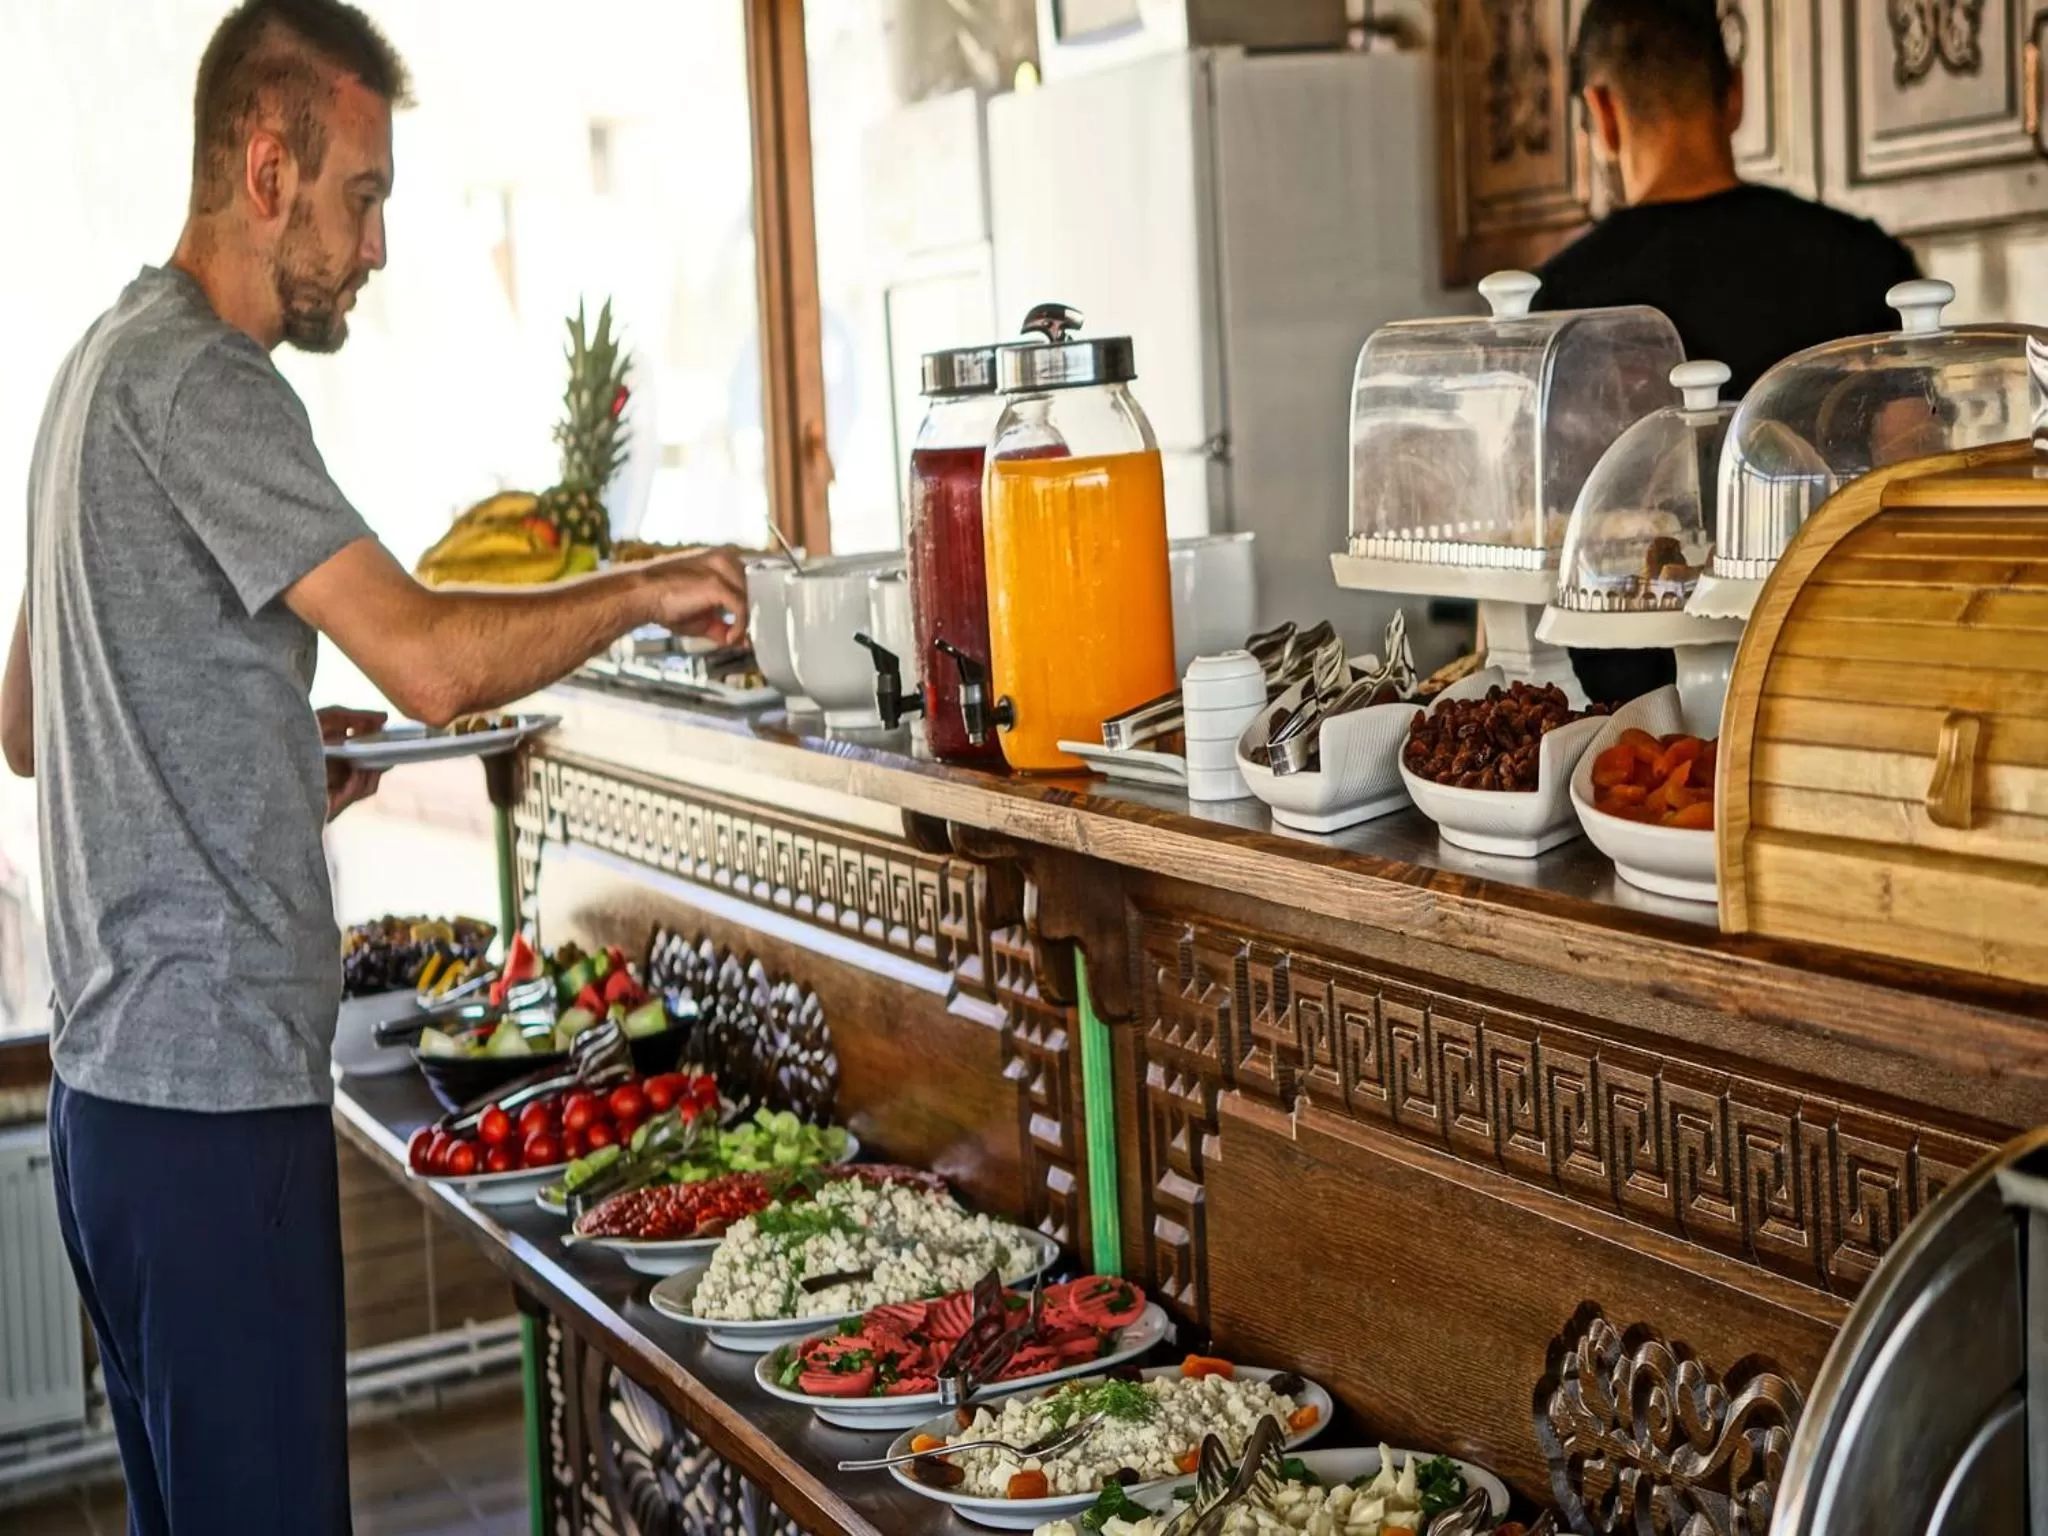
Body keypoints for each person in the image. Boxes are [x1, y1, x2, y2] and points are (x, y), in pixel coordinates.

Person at [0, 3, 747, 1531]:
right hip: (211, 1115)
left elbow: (28, 719)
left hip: (106, 1114)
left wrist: (269, 753)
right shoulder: (209, 382)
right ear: (265, 168)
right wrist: (642, 587)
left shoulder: (92, 369)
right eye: (364, 193)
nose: (379, 244)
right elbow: (427, 658)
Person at [1535, 0, 1921, 705]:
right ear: (1734, 95)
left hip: (1626, 736)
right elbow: (1914, 477)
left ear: (1602, 112)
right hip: (1836, 692)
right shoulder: (1867, 262)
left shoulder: (1559, 306)